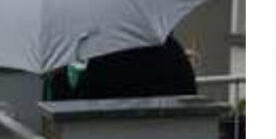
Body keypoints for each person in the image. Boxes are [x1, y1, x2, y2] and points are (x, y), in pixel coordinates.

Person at [44, 32, 199, 103]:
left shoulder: (107, 55)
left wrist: (59, 77)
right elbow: (189, 93)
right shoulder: (171, 49)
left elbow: (74, 110)